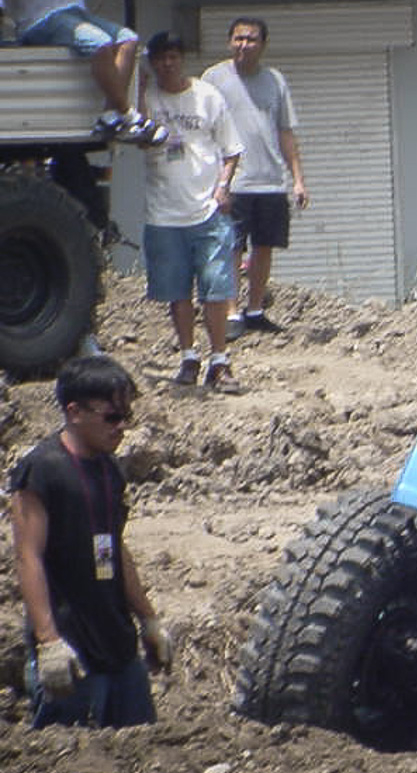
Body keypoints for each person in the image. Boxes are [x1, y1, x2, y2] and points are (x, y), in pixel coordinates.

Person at [8, 356, 173, 729]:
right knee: (73, 757)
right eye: (112, 417)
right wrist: (49, 642)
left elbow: (114, 547)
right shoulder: (42, 470)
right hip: (72, 648)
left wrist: (148, 620)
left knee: (142, 747)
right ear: (75, 411)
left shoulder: (110, 468)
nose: (122, 428)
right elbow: (27, 557)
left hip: (117, 643)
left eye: (126, 416)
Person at [140, 30, 245, 392]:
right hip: (163, 214)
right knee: (177, 291)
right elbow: (135, 136)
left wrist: (223, 187)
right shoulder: (148, 99)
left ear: (181, 58)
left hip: (207, 210)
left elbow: (232, 150)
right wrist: (137, 90)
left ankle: (220, 360)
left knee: (216, 289)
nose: (167, 64)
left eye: (173, 56)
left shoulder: (207, 96)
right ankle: (188, 355)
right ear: (152, 63)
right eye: (160, 58)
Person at [202, 16, 308, 337]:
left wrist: (298, 179)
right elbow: (202, 129)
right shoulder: (214, 78)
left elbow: (285, 131)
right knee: (232, 246)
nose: (244, 45)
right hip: (232, 181)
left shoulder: (275, 81)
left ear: (263, 44)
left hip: (271, 180)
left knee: (265, 246)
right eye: (238, 39)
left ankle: (256, 309)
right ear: (229, 41)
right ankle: (232, 314)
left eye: (250, 39)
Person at [8, 0, 166, 145]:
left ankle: (109, 116)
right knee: (99, 43)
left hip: (73, 10)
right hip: (40, 20)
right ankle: (130, 116)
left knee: (128, 39)